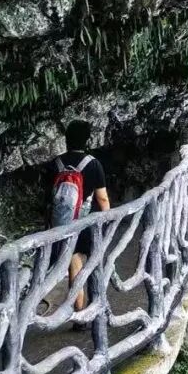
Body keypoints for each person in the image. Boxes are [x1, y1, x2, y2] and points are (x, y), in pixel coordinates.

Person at [50, 125, 110, 312]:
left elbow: (50, 198)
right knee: (93, 263)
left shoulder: (56, 163)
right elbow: (102, 198)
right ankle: (94, 309)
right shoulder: (93, 164)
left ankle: (80, 311)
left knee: (74, 265)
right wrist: (107, 221)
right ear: (87, 140)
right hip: (87, 222)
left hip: (63, 222)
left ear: (66, 139)